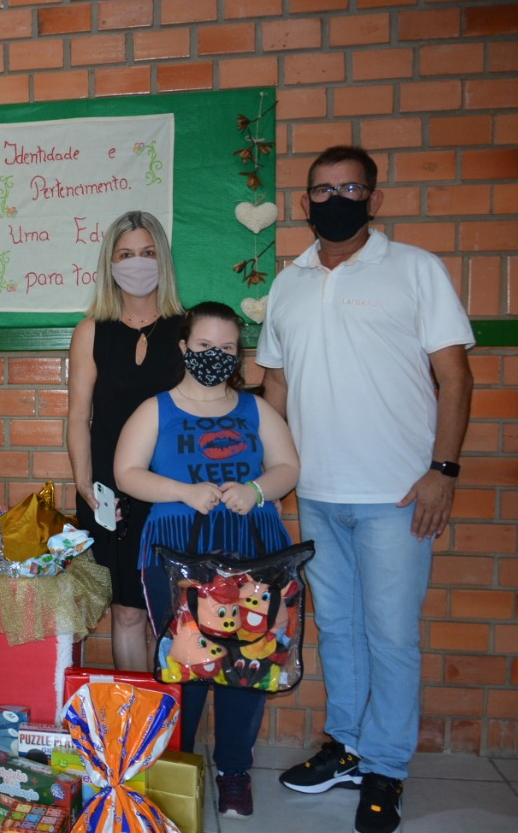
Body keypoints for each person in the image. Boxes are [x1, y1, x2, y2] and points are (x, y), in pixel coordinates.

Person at [257, 145, 474, 833]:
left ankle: (386, 766)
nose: (334, 200)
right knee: (339, 629)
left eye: (350, 187)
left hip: (399, 495)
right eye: (321, 190)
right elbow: (276, 386)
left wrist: (443, 471)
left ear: (374, 198)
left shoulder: (416, 269)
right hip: (317, 491)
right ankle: (346, 745)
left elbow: (456, 377)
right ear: (304, 202)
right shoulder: (287, 282)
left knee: (391, 635)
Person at [114, 301, 300, 819]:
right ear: (183, 348)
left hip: (253, 552)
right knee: (185, 660)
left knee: (249, 657)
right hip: (178, 552)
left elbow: (288, 466)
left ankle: (234, 769)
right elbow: (126, 471)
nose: (215, 356)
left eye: (226, 348)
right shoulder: (157, 409)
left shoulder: (256, 409)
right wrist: (183, 491)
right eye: (204, 347)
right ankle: (179, 763)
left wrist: (258, 490)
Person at [67, 211, 185, 673]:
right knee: (128, 611)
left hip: (175, 492)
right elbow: (78, 417)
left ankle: (176, 733)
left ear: (164, 260)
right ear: (109, 264)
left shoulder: (186, 331)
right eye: (126, 255)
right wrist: (84, 486)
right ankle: (139, 734)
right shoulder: (91, 331)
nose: (138, 263)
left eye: (148, 253)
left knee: (179, 614)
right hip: (109, 496)